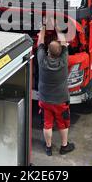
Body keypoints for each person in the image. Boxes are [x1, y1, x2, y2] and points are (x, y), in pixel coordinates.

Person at [37, 18, 75, 156]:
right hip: (61, 101)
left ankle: (48, 148)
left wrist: (44, 25)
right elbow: (64, 42)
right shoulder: (64, 61)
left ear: (48, 51)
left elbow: (40, 40)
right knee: (63, 123)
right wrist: (58, 27)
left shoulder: (42, 60)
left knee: (47, 124)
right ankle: (64, 146)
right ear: (60, 52)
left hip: (45, 100)